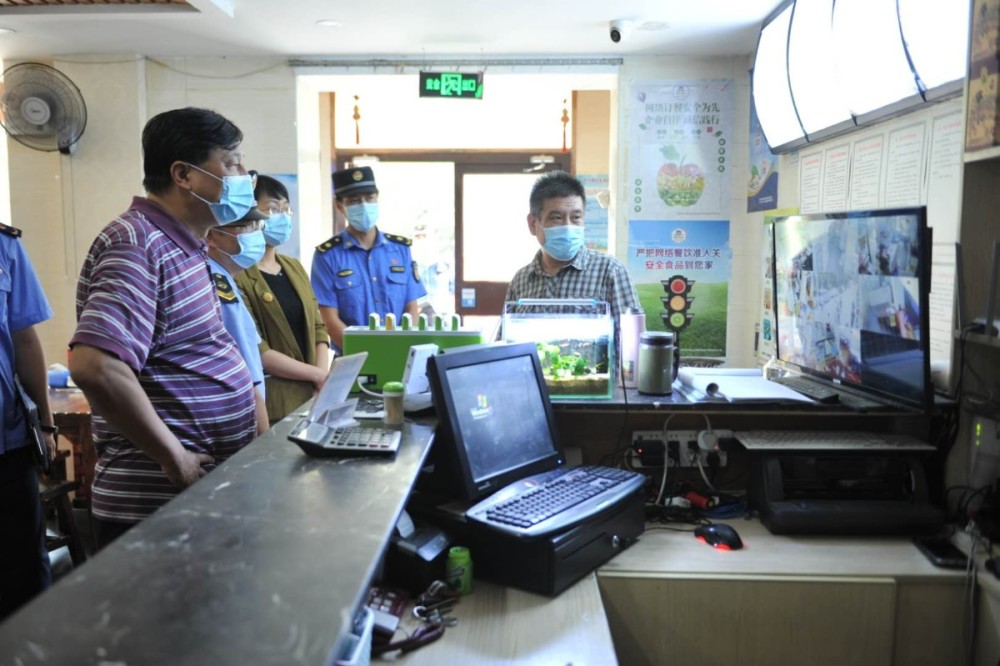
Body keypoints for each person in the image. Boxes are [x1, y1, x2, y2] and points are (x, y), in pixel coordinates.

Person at [69, 107, 257, 549]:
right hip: (155, 507)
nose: (244, 175)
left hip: (192, 500)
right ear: (183, 175)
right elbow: (95, 367)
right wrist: (174, 458)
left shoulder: (187, 246)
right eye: (231, 163)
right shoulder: (136, 243)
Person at [505, 171, 640, 359]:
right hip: (532, 386)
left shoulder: (610, 272)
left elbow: (633, 349)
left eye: (576, 217)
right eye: (556, 218)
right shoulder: (521, 280)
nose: (568, 226)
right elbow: (504, 346)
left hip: (594, 386)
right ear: (533, 224)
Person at [235, 174, 330, 423]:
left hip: (315, 396)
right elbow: (257, 349)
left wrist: (321, 375)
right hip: (275, 402)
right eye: (273, 210)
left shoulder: (293, 266)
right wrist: (317, 375)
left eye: (287, 210)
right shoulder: (239, 273)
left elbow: (318, 327)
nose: (283, 217)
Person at [0, 222, 58, 621]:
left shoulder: (5, 247)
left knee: (22, 570)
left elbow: (24, 339)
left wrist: (47, 425)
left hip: (7, 443)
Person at [310, 166, 426, 352]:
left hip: (401, 355)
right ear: (340, 206)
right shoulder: (327, 256)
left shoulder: (400, 250)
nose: (364, 205)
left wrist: (401, 348)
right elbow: (329, 319)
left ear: (377, 199)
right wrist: (368, 354)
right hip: (354, 360)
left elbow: (412, 309)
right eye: (355, 201)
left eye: (369, 198)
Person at [205, 206, 270, 435]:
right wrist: (265, 444)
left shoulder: (226, 278)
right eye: (245, 227)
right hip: (243, 417)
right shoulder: (219, 285)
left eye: (257, 226)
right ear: (211, 236)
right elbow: (248, 374)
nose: (255, 233)